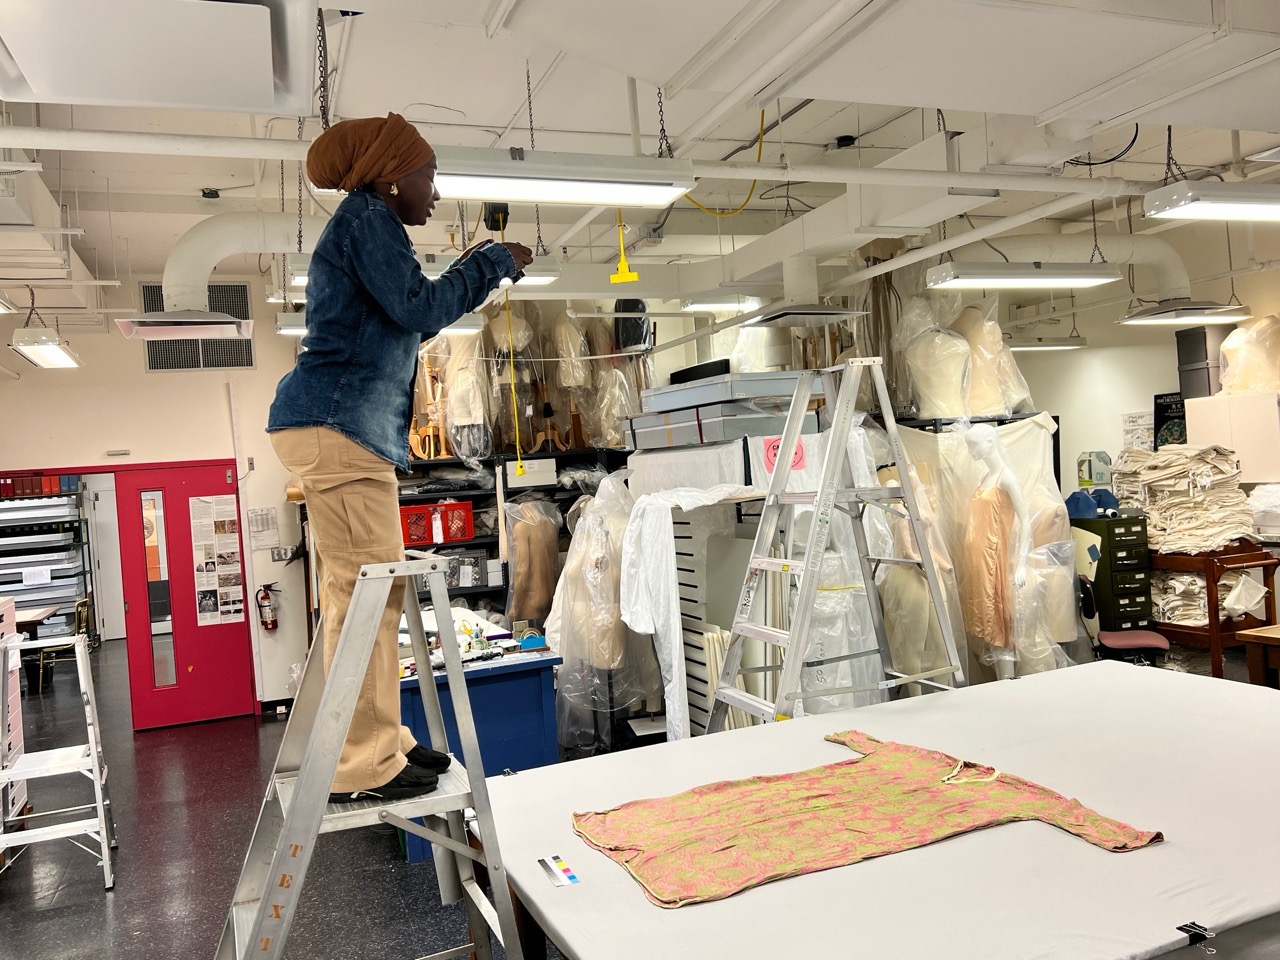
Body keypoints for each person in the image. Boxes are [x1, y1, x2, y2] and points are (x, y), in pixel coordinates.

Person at [267, 113, 532, 803]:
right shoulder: (367, 220)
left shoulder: (367, 224)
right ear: (391, 179)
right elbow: (418, 307)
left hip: (339, 427)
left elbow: (402, 313)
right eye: (428, 176)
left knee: (363, 595)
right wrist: (490, 262)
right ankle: (363, 760)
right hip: (337, 426)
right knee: (367, 597)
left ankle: (379, 737)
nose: (435, 193)